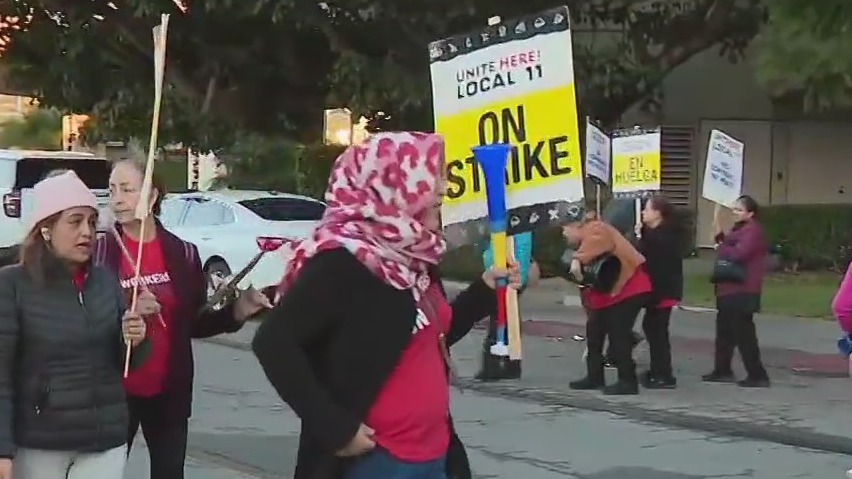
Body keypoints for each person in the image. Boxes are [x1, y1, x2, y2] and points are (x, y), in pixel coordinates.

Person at [251, 132, 519, 479]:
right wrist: (335, 429)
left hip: (435, 453)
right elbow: (273, 342)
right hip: (377, 461)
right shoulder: (341, 262)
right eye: (430, 177)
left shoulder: (414, 258)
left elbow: (431, 336)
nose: (442, 188)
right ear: (390, 188)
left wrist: (485, 290)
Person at [94, 159, 272, 479]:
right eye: (112, 190)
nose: (117, 199)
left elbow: (194, 323)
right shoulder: (100, 251)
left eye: (127, 190)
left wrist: (238, 310)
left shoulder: (183, 253)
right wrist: (126, 311)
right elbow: (82, 318)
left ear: (152, 196)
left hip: (168, 391)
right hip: (113, 391)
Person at [0, 171, 148, 479]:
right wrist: (2, 450)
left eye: (92, 222)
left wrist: (134, 340)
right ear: (46, 229)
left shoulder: (105, 282)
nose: (86, 232)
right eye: (75, 221)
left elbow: (124, 362)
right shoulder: (12, 284)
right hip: (39, 443)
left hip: (104, 441)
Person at [564, 213, 651, 395]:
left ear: (575, 226)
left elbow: (599, 240)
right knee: (594, 332)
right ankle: (594, 376)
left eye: (565, 229)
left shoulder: (596, 228)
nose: (564, 234)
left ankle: (627, 381)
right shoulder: (587, 237)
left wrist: (578, 258)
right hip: (608, 290)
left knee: (618, 334)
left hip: (629, 287)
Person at [702, 196, 770, 388]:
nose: (735, 213)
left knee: (744, 334)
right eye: (734, 209)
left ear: (751, 213)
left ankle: (757, 374)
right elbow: (727, 243)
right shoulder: (738, 229)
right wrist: (718, 230)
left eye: (739, 210)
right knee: (724, 332)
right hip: (728, 287)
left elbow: (739, 253)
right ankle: (722, 369)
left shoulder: (753, 230)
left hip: (743, 289)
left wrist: (721, 246)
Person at [475, 232, 540, 381]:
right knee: (509, 317)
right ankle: (510, 363)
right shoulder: (520, 230)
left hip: (505, 276)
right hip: (510, 274)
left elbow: (505, 251)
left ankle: (494, 365)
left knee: (500, 318)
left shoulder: (510, 229)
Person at [636, 195, 684, 389]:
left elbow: (656, 265)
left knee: (657, 332)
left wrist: (642, 237)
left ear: (658, 213)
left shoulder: (663, 237)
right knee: (652, 328)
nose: (643, 212)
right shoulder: (654, 234)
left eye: (647, 209)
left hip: (662, 292)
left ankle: (664, 374)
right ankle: (658, 370)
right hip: (656, 291)